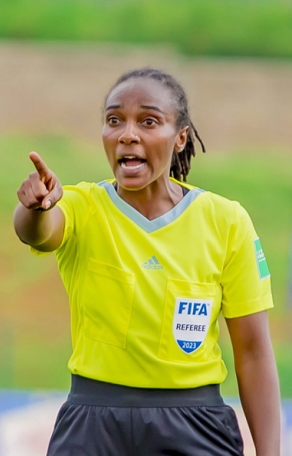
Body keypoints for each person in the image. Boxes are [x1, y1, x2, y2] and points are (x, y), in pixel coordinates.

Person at [14, 68, 281, 455]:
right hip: (93, 424)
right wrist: (35, 208)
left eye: (148, 121)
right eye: (114, 120)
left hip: (195, 424)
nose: (127, 134)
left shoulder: (227, 221)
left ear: (180, 138)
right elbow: (38, 231)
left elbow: (254, 351)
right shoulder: (82, 206)